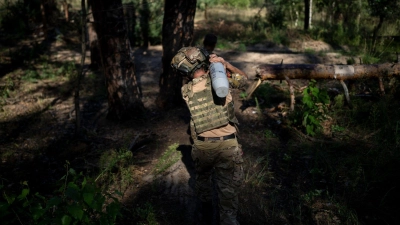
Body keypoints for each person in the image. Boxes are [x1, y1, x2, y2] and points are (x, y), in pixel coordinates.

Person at [171, 47, 244, 225]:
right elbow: (242, 79)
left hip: (202, 147)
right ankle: (228, 220)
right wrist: (224, 65)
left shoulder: (186, 90)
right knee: (228, 195)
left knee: (203, 181)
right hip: (228, 147)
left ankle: (205, 212)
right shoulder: (221, 79)